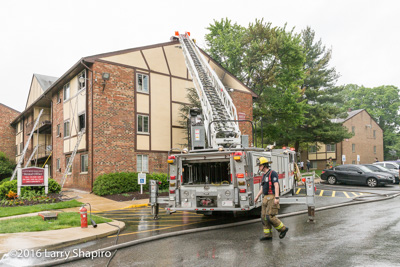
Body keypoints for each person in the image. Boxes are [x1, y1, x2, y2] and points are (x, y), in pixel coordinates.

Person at [255, 157, 289, 241]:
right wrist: (257, 196)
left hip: (272, 196)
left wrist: (276, 197)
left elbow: (276, 185)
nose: (259, 167)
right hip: (265, 197)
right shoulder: (263, 175)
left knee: (269, 216)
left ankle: (283, 229)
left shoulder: (272, 173)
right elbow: (262, 188)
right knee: (263, 217)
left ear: (265, 165)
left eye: (260, 165)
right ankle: (268, 235)